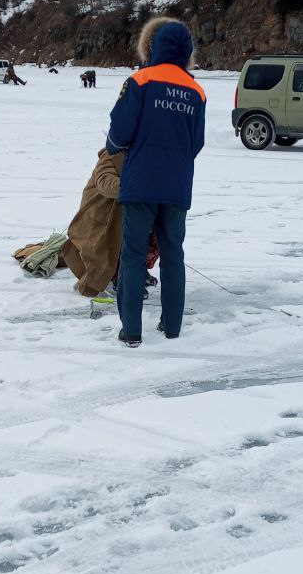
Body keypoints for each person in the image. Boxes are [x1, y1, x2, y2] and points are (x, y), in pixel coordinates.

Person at [105, 17, 206, 347]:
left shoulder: (140, 80)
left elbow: (120, 130)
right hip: (177, 185)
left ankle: (132, 330)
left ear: (154, 46)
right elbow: (196, 143)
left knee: (133, 254)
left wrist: (113, 148)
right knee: (173, 254)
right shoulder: (196, 91)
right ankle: (172, 326)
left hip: (140, 183)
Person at [62, 150, 160, 299]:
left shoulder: (147, 157)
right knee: (124, 236)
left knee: (155, 230)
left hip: (130, 214)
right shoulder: (111, 155)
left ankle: (137, 271)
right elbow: (104, 182)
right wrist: (136, 186)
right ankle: (121, 278)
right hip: (101, 221)